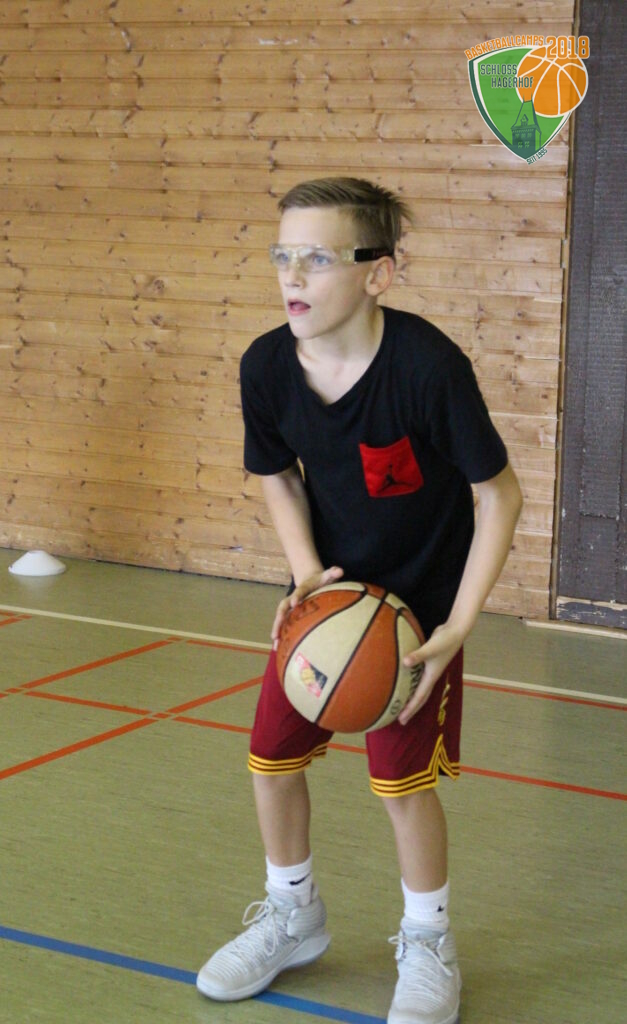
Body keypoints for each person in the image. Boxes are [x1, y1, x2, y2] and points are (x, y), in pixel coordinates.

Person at [196, 177, 523, 1024]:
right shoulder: (266, 365)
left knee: (401, 787)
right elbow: (275, 474)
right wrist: (306, 572)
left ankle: (428, 940)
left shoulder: (426, 368)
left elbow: (498, 495)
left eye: (317, 257)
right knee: (269, 762)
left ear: (379, 272)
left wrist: (457, 625)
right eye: (282, 254)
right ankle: (292, 915)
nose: (291, 274)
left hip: (413, 621)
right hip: (325, 613)